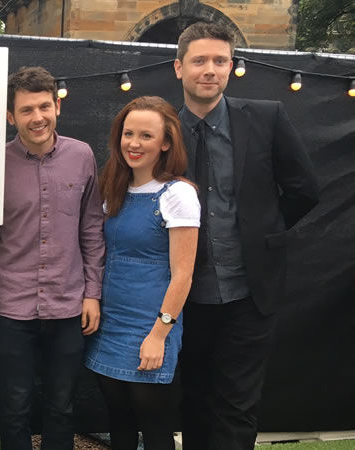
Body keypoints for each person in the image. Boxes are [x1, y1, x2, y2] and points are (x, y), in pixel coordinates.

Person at [173, 23, 320, 450]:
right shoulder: (161, 128)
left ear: (232, 67)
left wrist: (263, 232)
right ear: (179, 67)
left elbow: (304, 190)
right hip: (183, 296)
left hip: (249, 292)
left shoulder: (267, 116)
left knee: (237, 405)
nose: (210, 70)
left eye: (220, 61)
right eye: (200, 61)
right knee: (194, 401)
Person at [0, 66, 105, 450]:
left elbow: (92, 227)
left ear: (57, 106)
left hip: (68, 304)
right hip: (10, 306)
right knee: (14, 406)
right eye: (26, 110)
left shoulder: (82, 155)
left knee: (61, 406)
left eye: (44, 106)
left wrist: (92, 293)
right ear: (11, 116)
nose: (37, 117)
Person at [84, 96, 199, 450]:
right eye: (128, 133)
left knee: (154, 425)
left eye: (146, 136)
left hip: (150, 327)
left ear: (166, 143)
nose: (134, 143)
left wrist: (159, 334)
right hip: (110, 325)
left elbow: (183, 275)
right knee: (118, 418)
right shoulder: (112, 190)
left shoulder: (178, 195)